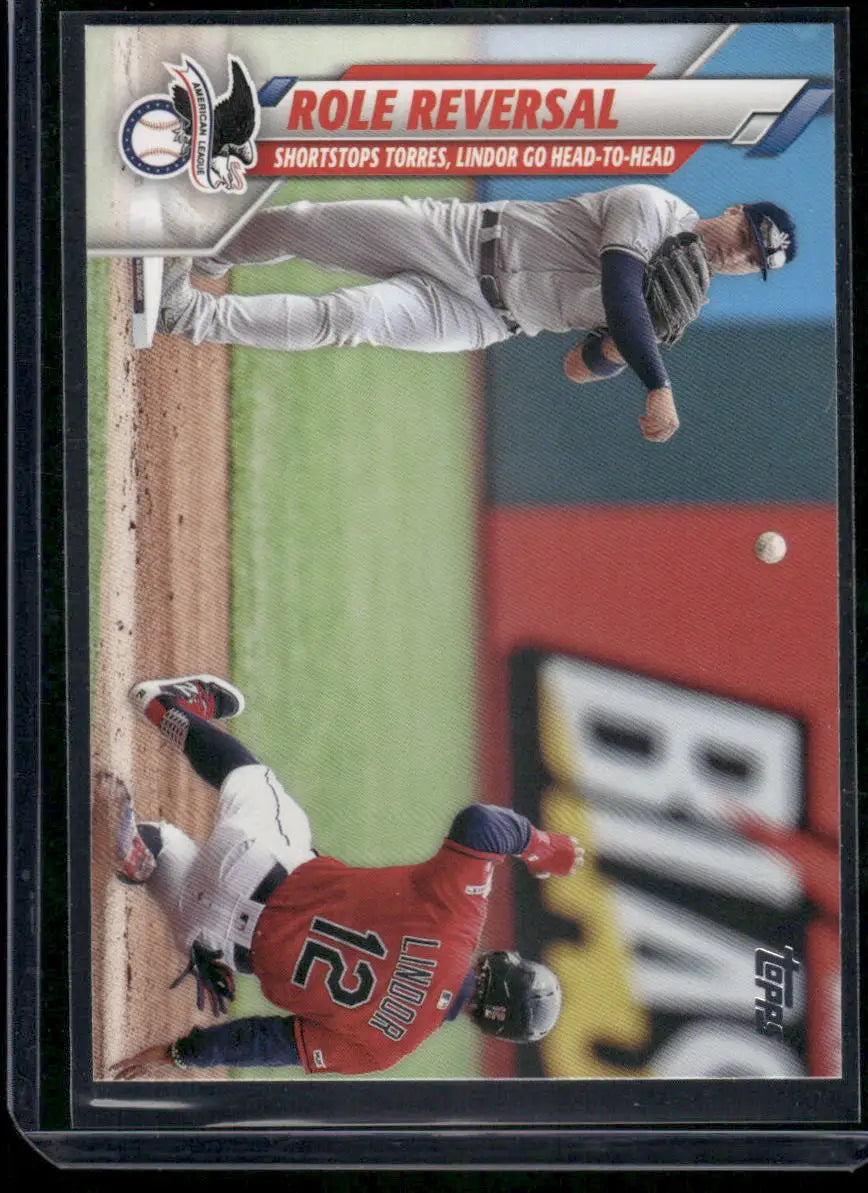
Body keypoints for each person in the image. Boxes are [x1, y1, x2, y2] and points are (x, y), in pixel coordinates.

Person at [109, 675, 583, 1079]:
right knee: (169, 846)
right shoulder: (389, 1049)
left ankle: (160, 705)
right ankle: (143, 854)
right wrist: (181, 1054)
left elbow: (482, 825)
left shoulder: (458, 919)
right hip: (209, 941)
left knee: (249, 776)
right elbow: (271, 1041)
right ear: (490, 1025)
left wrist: (541, 847)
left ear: (503, 966)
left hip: (255, 862)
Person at [155, 184, 796, 443]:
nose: (736, 253)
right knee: (306, 225)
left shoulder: (666, 317)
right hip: (461, 236)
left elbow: (578, 365)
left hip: (481, 317)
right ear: (736, 211)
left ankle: (186, 314)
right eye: (745, 236)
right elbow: (622, 285)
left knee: (350, 317)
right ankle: (208, 255)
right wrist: (656, 381)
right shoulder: (655, 207)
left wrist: (626, 351)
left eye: (749, 261)